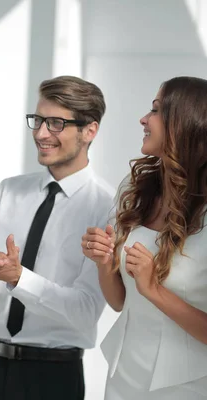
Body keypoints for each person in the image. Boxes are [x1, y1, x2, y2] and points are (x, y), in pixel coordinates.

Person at [0, 75, 114, 400]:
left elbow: (85, 310)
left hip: (53, 376)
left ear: (90, 131)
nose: (40, 134)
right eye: (38, 120)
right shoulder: (10, 190)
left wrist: (17, 278)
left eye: (56, 123)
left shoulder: (108, 206)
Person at [83, 76, 207, 399]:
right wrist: (104, 262)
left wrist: (154, 290)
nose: (144, 119)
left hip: (184, 387)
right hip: (123, 379)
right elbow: (120, 301)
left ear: (185, 124)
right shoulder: (135, 188)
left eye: (155, 110)